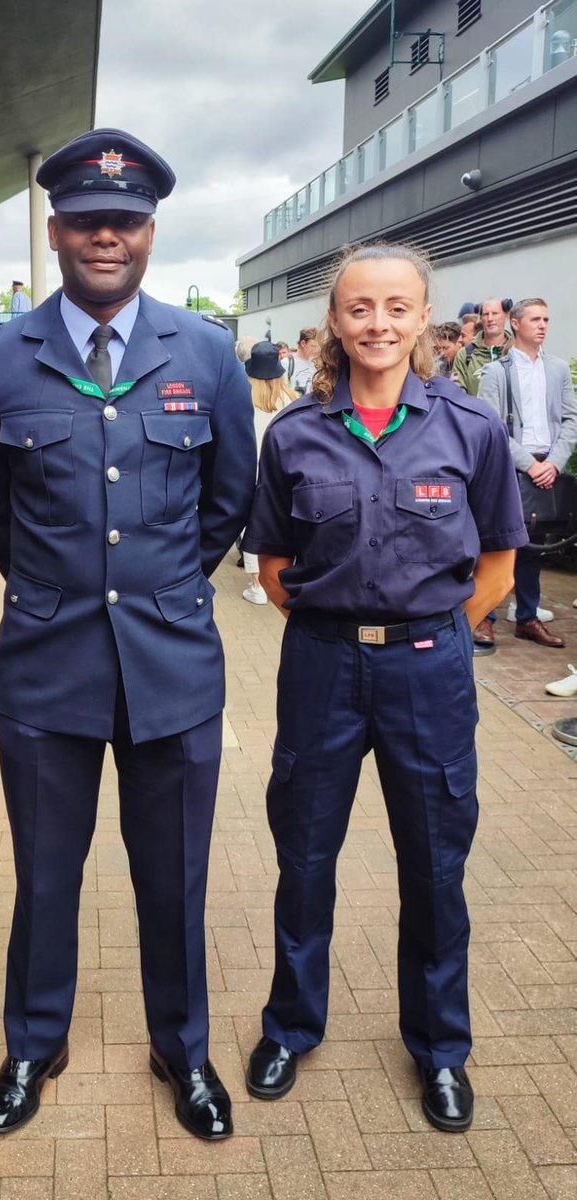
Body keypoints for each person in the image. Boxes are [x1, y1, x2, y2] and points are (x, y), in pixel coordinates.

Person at [0, 128, 255, 1141]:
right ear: (53, 233)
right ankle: (33, 1045)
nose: (104, 238)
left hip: (171, 668)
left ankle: (183, 1050)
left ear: (149, 233)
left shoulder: (205, 354)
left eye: (123, 222)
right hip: (46, 668)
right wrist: (55, 589)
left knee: (173, 877)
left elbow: (226, 506)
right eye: (85, 221)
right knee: (45, 875)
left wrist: (155, 589)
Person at [242, 243, 527, 1134]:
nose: (377, 325)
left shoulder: (468, 426)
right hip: (322, 665)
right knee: (304, 856)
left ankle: (440, 1050)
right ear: (334, 321)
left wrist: (433, 632)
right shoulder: (294, 432)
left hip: (427, 672)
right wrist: (342, 628)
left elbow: (499, 564)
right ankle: (291, 1024)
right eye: (359, 308)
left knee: (436, 867)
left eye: (395, 308)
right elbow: (276, 565)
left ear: (421, 318)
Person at [477, 298, 577, 649]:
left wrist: (553, 463)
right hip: (511, 468)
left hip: (547, 466)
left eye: (547, 319)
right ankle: (484, 617)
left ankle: (527, 618)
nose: (543, 325)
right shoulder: (496, 372)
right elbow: (491, 428)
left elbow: (571, 419)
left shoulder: (559, 369)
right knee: (499, 543)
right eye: (535, 319)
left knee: (534, 546)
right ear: (515, 324)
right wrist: (530, 464)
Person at [241, 341, 298, 605]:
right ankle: (283, 577)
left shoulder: (242, 399)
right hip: (286, 472)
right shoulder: (292, 400)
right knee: (282, 527)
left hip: (251, 471)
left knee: (254, 528)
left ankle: (257, 585)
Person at [452, 297, 513, 395]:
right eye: (486, 314)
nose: (490, 319)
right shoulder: (465, 355)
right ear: (481, 319)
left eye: (495, 313)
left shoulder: (517, 351)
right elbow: (456, 394)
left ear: (506, 317)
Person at [288, 327, 320, 395]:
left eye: (317, 346)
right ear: (303, 344)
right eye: (313, 346)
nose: (316, 350)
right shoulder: (287, 363)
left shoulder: (315, 363)